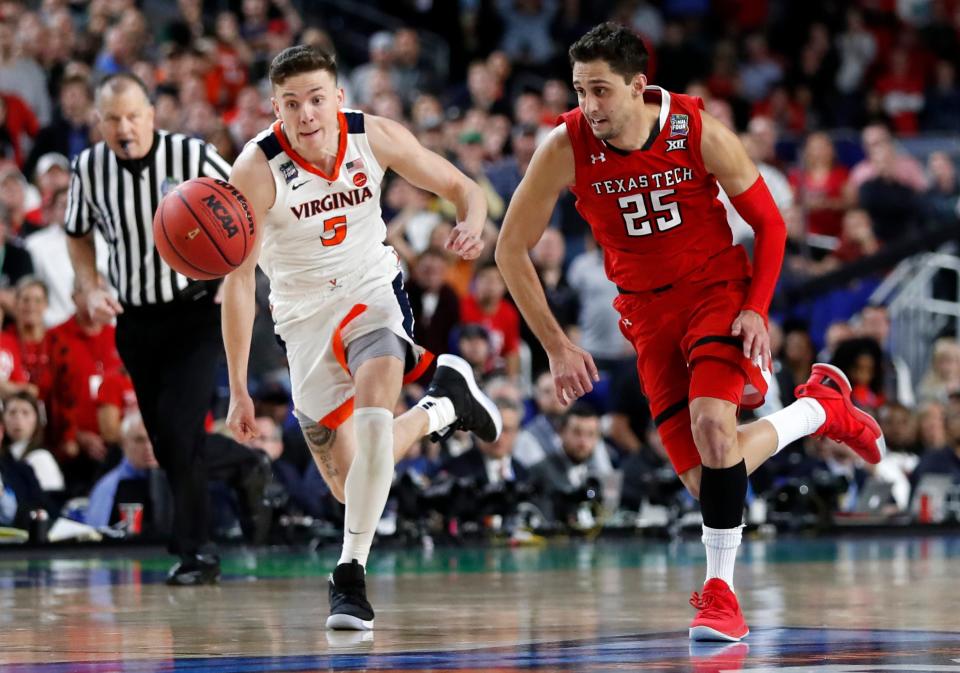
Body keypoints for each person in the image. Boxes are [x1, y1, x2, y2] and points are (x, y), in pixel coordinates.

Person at [495, 23, 886, 642]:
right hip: (646, 315)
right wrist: (556, 344)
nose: (589, 105)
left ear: (638, 87)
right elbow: (510, 249)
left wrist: (757, 307)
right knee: (712, 479)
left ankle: (721, 595)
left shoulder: (696, 130)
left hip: (715, 294)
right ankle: (818, 410)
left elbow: (771, 226)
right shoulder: (565, 146)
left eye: (601, 91)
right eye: (579, 90)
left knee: (712, 425)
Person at [222, 45, 502, 632]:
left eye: (316, 100)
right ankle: (444, 404)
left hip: (371, 287)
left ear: (338, 99)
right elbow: (240, 282)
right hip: (301, 318)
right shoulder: (254, 170)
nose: (306, 115)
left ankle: (349, 577)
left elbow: (462, 185)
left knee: (376, 409)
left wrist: (472, 222)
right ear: (274, 107)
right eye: (291, 104)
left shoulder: (372, 136)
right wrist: (239, 388)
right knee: (352, 487)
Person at [64, 73, 250, 586]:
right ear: (97, 123)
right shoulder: (88, 167)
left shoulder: (190, 156)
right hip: (135, 318)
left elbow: (246, 205)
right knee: (166, 438)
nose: (124, 128)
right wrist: (89, 284)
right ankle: (245, 467)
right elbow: (77, 233)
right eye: (112, 119)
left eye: (133, 116)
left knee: (178, 428)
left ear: (151, 114)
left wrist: (235, 273)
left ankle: (197, 551)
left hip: (194, 311)